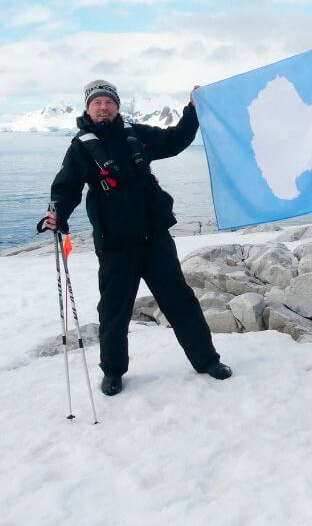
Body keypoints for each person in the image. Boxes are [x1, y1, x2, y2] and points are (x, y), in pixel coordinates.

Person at [38, 79, 231, 396]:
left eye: (108, 102)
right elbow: (66, 187)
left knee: (180, 302)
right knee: (114, 312)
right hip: (115, 245)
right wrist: (56, 213)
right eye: (97, 103)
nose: (103, 107)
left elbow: (176, 140)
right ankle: (113, 372)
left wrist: (192, 110)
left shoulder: (137, 135)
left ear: (116, 106)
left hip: (155, 239)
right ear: (88, 108)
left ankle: (207, 361)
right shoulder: (80, 148)